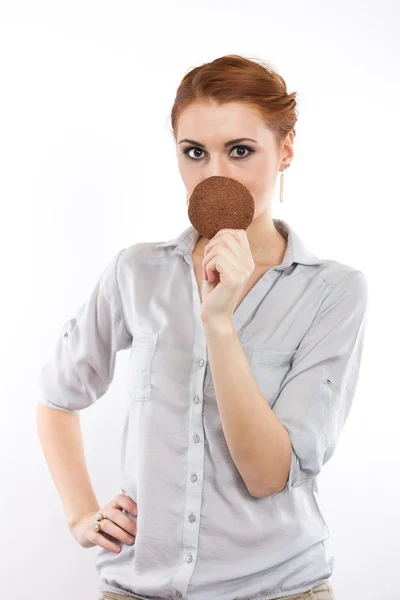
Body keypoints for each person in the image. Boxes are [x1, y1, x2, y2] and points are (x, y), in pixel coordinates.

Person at [36, 54, 369, 600]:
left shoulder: (332, 291)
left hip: (278, 589)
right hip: (137, 588)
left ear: (285, 150)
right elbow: (56, 398)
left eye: (241, 151)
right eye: (195, 153)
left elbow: (267, 475)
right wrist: (81, 516)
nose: (214, 176)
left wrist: (220, 322)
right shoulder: (135, 271)